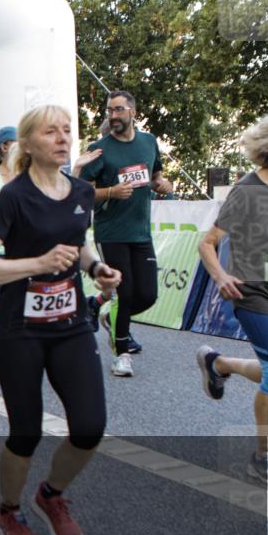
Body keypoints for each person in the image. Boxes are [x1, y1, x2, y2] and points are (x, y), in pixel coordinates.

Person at [0, 104, 120, 535]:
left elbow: (80, 243)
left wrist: (98, 268)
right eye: (51, 132)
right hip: (20, 330)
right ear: (28, 145)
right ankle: (7, 511)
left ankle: (50, 495)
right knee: (26, 431)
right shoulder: (13, 196)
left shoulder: (80, 192)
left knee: (90, 425)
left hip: (70, 324)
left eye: (67, 131)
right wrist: (39, 263)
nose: (62, 138)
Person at [195, 111, 268, 485]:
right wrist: (220, 276)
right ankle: (264, 455)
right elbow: (207, 242)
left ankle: (220, 365)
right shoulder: (249, 189)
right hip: (253, 291)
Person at [75, 90, 172, 377]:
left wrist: (162, 184)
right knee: (126, 294)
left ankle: (102, 306)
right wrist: (111, 192)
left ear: (132, 112)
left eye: (118, 110)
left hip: (141, 232)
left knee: (148, 295)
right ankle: (122, 355)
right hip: (112, 231)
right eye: (109, 111)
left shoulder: (148, 142)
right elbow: (82, 194)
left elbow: (153, 177)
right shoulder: (100, 149)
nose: (113, 116)